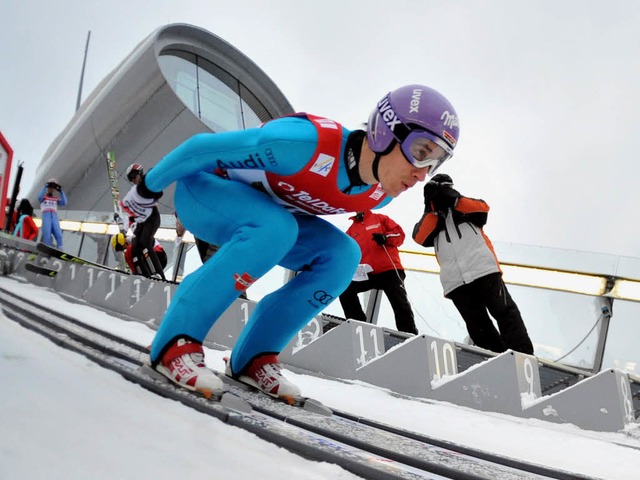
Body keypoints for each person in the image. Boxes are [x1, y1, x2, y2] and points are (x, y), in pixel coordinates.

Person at [132, 84, 459, 402]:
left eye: (435, 162)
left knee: (343, 255)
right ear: (385, 132)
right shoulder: (302, 143)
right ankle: (175, 341)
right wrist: (144, 192)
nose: (423, 173)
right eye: (420, 153)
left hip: (266, 217)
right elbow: (200, 148)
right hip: (204, 191)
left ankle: (254, 356)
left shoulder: (378, 194)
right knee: (278, 228)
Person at [412, 174, 534, 355]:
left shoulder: (466, 209)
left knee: (504, 311)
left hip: (483, 269)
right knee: (477, 325)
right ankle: (495, 358)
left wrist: (452, 198)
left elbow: (483, 208)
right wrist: (429, 207)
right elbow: (419, 237)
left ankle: (522, 355)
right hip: (455, 281)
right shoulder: (434, 219)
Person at [339, 210, 417, 334]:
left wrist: (385, 238)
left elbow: (399, 235)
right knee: (344, 289)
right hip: (367, 274)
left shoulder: (380, 219)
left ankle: (409, 334)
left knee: (399, 302)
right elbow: (344, 251)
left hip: (389, 270)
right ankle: (359, 326)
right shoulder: (352, 230)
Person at [120, 164, 166, 280]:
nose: (133, 180)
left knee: (145, 241)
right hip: (143, 220)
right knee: (135, 245)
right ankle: (143, 275)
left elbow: (155, 177)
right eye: (131, 179)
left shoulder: (147, 181)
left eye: (134, 177)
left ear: (140, 174)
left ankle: (158, 274)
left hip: (152, 218)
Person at [38, 178, 67, 248]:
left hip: (54, 216)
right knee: (47, 234)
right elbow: (39, 197)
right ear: (48, 188)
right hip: (46, 216)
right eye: (50, 187)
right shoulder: (43, 198)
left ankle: (60, 248)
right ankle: (48, 247)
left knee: (59, 234)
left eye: (53, 188)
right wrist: (45, 186)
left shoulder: (55, 199)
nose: (52, 189)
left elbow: (64, 202)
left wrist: (61, 191)